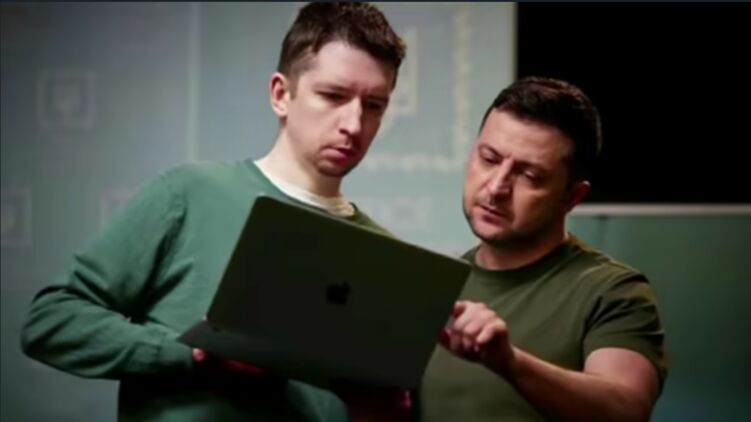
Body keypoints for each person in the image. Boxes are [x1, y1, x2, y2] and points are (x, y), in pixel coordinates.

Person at [20, 3, 407, 421]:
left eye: (374, 105)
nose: (354, 124)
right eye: (333, 96)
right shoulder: (187, 196)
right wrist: (191, 356)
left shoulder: (386, 257)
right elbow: (52, 321)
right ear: (281, 95)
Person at [417, 77, 668, 422]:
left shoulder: (614, 292)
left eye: (530, 176)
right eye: (489, 159)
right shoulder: (434, 286)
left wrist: (509, 362)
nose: (496, 187)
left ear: (572, 197)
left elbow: (627, 409)